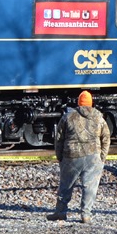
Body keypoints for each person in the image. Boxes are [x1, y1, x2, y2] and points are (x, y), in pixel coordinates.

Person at [47, 91, 110, 224]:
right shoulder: (99, 117)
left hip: (71, 156)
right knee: (90, 186)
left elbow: (59, 138)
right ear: (91, 103)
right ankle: (85, 215)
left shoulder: (68, 117)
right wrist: (102, 156)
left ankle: (61, 212)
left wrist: (59, 156)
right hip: (93, 156)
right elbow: (106, 137)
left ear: (78, 102)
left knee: (66, 185)